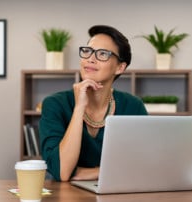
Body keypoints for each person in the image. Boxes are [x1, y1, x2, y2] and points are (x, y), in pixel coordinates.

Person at [39, 25, 148, 182]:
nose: (90, 58)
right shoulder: (54, 104)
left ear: (119, 67)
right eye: (87, 51)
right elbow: (62, 171)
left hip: (117, 191)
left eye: (102, 54)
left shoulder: (133, 106)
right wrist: (79, 108)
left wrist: (82, 173)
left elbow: (142, 164)